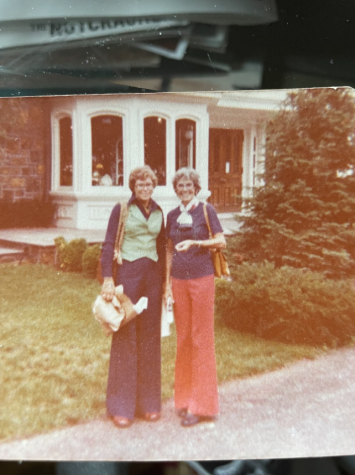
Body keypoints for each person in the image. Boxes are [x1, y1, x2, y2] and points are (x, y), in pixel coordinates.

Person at [100, 165, 165, 428]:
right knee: (126, 336)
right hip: (128, 275)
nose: (145, 188)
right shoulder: (122, 209)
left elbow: (163, 246)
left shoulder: (159, 211)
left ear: (154, 185)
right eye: (140, 184)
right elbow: (108, 242)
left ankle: (148, 403)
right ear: (133, 187)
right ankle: (121, 406)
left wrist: (165, 282)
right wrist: (108, 277)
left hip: (152, 278)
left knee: (149, 337)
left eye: (149, 184)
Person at [165, 167, 226, 427]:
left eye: (189, 185)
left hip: (202, 279)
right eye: (180, 185)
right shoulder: (172, 215)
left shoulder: (206, 211)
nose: (185, 189)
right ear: (176, 189)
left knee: (201, 338)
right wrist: (167, 284)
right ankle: (184, 399)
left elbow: (221, 241)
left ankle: (202, 406)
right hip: (178, 280)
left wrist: (196, 244)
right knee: (184, 339)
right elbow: (169, 250)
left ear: (196, 187)